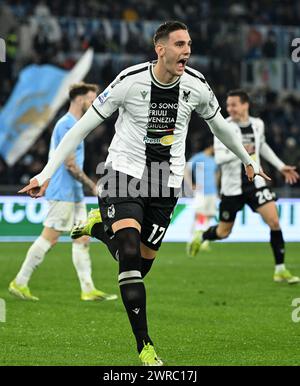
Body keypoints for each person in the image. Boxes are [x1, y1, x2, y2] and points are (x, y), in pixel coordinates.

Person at [18, 22, 269, 365]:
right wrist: (45, 174)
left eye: (189, 44)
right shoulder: (129, 81)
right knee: (131, 251)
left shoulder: (196, 86)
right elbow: (80, 129)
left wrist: (246, 159)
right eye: (180, 44)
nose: (187, 50)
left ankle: (96, 228)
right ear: (160, 49)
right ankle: (145, 345)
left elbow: (221, 126)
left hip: (166, 183)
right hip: (124, 174)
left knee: (138, 265)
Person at [9, 82, 117, 302]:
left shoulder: (75, 124)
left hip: (74, 192)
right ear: (79, 99)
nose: (94, 103)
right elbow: (70, 164)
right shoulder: (67, 124)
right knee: (51, 236)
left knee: (83, 237)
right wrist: (92, 185)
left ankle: (88, 289)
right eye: (91, 98)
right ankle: (19, 282)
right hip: (62, 190)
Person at [197, 89, 300, 284]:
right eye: (228, 105)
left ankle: (280, 270)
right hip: (232, 188)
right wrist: (244, 154)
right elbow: (219, 157)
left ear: (245, 105)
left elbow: (262, 146)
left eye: (234, 105)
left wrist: (280, 166)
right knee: (223, 232)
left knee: (274, 222)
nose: (230, 109)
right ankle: (202, 235)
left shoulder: (258, 124)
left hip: (256, 185)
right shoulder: (222, 126)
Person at [185, 141, 219, 257]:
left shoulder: (214, 160)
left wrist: (217, 189)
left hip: (212, 192)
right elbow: (186, 169)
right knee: (199, 215)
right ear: (210, 145)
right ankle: (191, 239)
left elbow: (216, 174)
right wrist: (191, 184)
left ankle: (204, 241)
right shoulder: (198, 157)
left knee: (209, 216)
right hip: (201, 192)